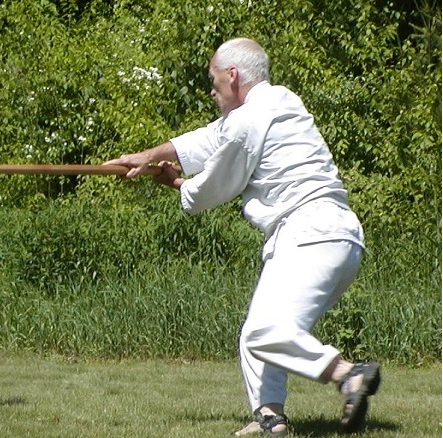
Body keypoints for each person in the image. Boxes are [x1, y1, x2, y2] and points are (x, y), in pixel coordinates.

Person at [103, 38, 380, 436]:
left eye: (213, 80)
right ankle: (270, 418)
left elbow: (214, 186)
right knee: (260, 330)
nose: (211, 91)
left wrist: (176, 184)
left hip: (308, 233)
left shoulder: (248, 120)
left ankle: (347, 374)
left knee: (263, 331)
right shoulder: (282, 101)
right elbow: (208, 139)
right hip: (338, 236)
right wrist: (147, 156)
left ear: (232, 75)